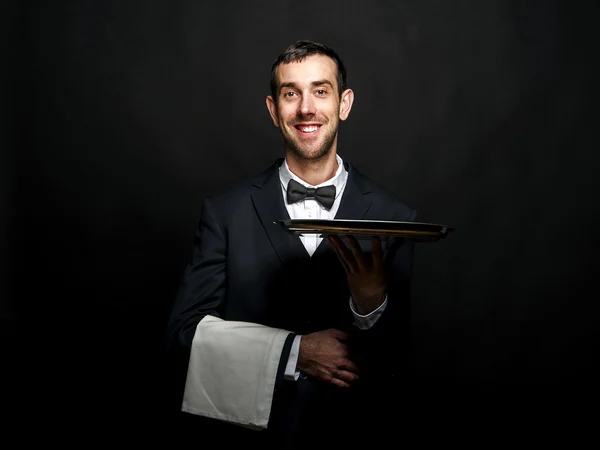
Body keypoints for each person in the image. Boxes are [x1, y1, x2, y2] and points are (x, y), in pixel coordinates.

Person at [165, 40, 417, 449]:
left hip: (356, 440)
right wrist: (294, 351)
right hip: (244, 442)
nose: (305, 108)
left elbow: (402, 361)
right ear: (272, 109)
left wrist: (371, 307)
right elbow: (184, 334)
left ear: (344, 103)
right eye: (290, 93)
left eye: (320, 91)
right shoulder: (224, 212)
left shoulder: (395, 217)